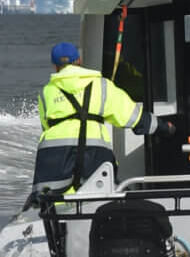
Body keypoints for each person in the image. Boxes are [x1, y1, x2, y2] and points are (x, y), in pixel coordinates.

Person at [33, 41, 175, 195]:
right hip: (93, 152)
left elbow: (46, 127)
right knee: (100, 199)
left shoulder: (45, 92)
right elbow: (134, 117)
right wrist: (164, 127)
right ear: (79, 61)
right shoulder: (103, 86)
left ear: (55, 66)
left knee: (53, 204)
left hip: (54, 156)